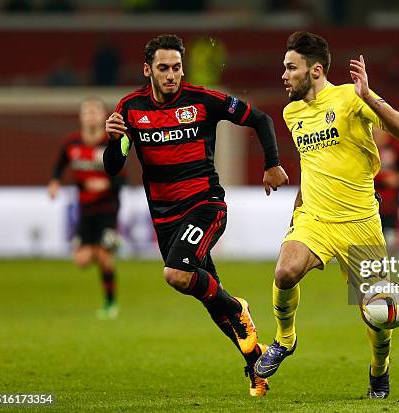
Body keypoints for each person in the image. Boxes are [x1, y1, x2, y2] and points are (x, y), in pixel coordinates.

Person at [103, 34, 288, 397]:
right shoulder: (129, 109)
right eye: (163, 68)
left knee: (176, 274)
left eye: (176, 68)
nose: (171, 75)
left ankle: (238, 307)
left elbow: (261, 119)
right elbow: (113, 167)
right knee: (206, 294)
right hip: (165, 220)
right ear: (147, 70)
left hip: (205, 206)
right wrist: (112, 141)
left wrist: (272, 163)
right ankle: (256, 365)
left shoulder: (203, 100)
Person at [254, 31, 399, 399]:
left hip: (361, 223)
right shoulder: (291, 112)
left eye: (290, 68)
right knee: (285, 270)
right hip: (317, 219)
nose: (283, 75)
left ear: (315, 70)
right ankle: (284, 340)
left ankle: (379, 368)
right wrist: (297, 211)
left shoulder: (349, 97)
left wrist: (369, 96)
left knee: (376, 314)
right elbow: (312, 166)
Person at [48, 97, 123, 319]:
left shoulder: (110, 143)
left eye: (95, 112)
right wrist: (54, 181)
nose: (91, 116)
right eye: (87, 112)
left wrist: (107, 183)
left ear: (103, 116)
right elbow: (60, 163)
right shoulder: (71, 143)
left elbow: (123, 178)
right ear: (81, 117)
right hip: (84, 209)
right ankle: (107, 244)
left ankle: (111, 304)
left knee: (103, 256)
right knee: (81, 260)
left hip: (107, 208)